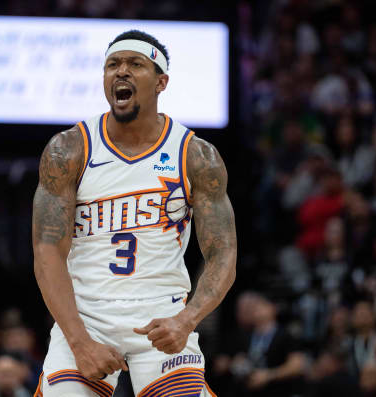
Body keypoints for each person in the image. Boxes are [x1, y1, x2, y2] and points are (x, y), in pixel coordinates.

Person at [32, 29, 237, 396]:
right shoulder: (68, 150)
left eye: (135, 64)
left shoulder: (195, 156)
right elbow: (47, 251)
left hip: (161, 314)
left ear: (161, 82)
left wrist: (187, 320)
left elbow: (223, 252)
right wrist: (78, 341)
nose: (121, 71)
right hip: (86, 316)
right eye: (113, 64)